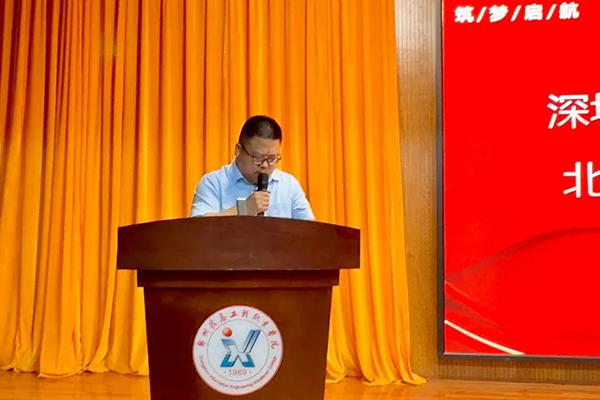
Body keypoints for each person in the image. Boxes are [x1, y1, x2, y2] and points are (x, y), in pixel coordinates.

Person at [190, 115, 315, 220]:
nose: (265, 165)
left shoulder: (289, 185)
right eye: (258, 158)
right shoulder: (213, 183)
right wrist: (243, 209)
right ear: (238, 150)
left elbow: (310, 232)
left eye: (272, 159)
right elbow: (198, 229)